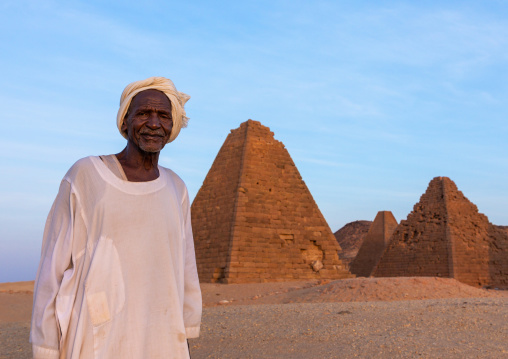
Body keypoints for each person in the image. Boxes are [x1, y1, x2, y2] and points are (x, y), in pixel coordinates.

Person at [30, 77, 202, 359]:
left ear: (173, 126)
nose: (154, 123)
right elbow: (52, 269)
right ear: (124, 121)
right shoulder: (86, 175)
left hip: (162, 337)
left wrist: (185, 336)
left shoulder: (176, 187)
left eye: (163, 116)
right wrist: (46, 347)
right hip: (94, 335)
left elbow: (186, 269)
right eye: (143, 113)